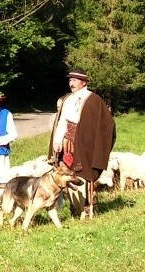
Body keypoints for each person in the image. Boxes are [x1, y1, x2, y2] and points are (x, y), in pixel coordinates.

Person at [49, 67, 116, 219]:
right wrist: (57, 140)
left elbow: (106, 125)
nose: (71, 83)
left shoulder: (94, 100)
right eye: (70, 80)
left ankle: (87, 209)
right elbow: (62, 122)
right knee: (67, 174)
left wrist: (95, 143)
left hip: (86, 144)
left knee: (84, 174)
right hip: (67, 143)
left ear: (83, 82)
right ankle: (75, 208)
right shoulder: (67, 99)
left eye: (74, 80)